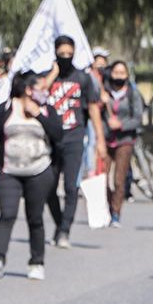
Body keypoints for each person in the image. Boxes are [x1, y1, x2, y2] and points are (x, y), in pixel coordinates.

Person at [0, 72, 63, 280]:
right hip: (8, 171)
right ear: (28, 89)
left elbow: (58, 135)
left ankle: (37, 261)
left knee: (35, 217)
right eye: (41, 88)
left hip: (39, 171)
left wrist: (38, 115)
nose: (45, 92)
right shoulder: (6, 110)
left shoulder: (46, 110)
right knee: (7, 214)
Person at [42, 35, 107, 249]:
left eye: (69, 54)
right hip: (50, 140)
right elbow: (38, 94)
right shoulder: (48, 77)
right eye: (61, 54)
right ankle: (60, 222)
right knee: (48, 188)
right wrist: (53, 73)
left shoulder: (83, 78)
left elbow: (94, 108)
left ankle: (64, 231)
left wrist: (99, 139)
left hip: (74, 137)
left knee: (71, 186)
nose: (65, 58)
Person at [100, 61, 144, 227]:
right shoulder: (104, 92)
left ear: (127, 75)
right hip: (105, 139)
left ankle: (116, 213)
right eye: (116, 73)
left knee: (119, 179)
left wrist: (122, 125)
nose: (119, 76)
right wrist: (100, 102)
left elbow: (138, 118)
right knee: (102, 177)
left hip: (125, 140)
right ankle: (108, 207)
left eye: (122, 73)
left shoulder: (133, 93)